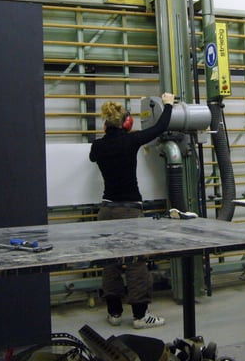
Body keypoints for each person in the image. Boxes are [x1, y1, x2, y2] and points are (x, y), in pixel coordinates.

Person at [88, 92, 175, 330]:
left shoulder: (98, 146)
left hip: (106, 210)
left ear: (106, 124)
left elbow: (94, 155)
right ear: (126, 123)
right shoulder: (130, 141)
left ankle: (114, 312)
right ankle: (140, 315)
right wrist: (168, 105)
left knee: (111, 262)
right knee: (136, 263)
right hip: (129, 211)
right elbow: (161, 126)